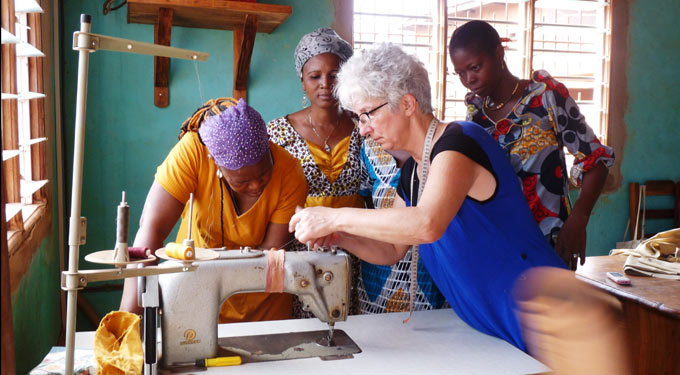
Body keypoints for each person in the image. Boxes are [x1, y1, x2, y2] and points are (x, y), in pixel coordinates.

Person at [288, 44, 630, 374]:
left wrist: (331, 214)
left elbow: (426, 224)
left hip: (545, 314)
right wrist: (341, 235)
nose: (363, 129)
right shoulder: (412, 173)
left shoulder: (459, 143)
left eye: (367, 114)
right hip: (495, 324)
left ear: (407, 104)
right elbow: (391, 248)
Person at [120, 98, 308, 323]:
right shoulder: (193, 152)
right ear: (215, 163)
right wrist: (128, 319)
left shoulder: (290, 172)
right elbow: (152, 229)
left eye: (264, 174)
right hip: (195, 296)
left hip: (264, 307)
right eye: (243, 181)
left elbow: (268, 257)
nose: (256, 186)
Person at [448, 20, 614, 270]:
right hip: (498, 248)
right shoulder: (475, 115)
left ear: (499, 54)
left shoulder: (545, 97)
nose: (469, 79)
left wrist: (578, 220)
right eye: (460, 73)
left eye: (475, 67)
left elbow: (596, 160)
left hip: (549, 243)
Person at [267, 28, 363, 314]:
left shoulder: (366, 126)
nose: (325, 84)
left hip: (360, 248)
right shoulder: (277, 133)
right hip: (301, 250)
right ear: (302, 81)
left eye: (334, 75)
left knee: (358, 330)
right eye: (315, 76)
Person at [357, 139, 447, 313]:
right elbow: (367, 199)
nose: (362, 128)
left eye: (370, 113)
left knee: (432, 332)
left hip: (428, 272)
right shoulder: (369, 148)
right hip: (379, 273)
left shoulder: (444, 148)